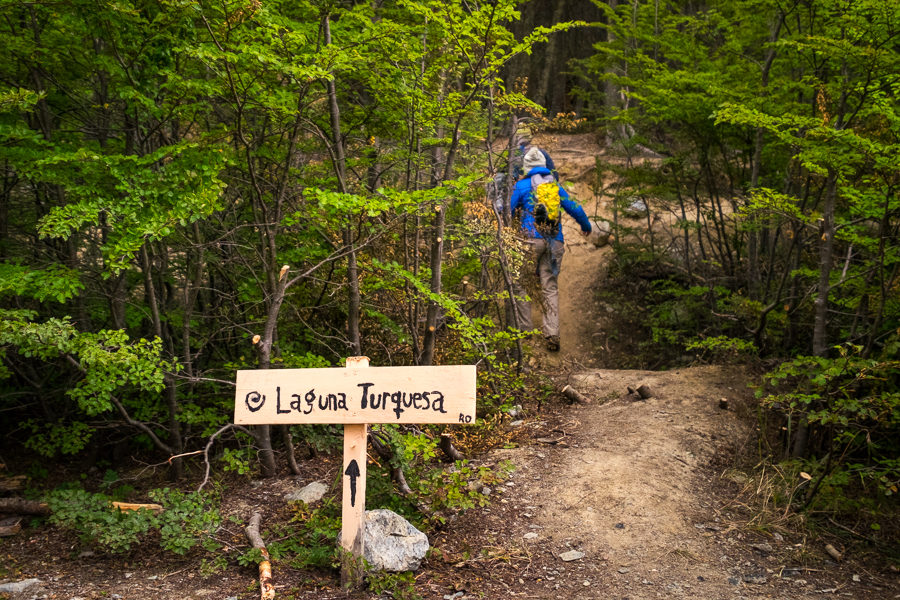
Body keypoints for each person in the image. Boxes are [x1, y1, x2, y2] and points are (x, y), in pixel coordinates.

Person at [510, 147, 591, 351]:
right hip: (555, 241)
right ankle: (552, 334)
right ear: (545, 166)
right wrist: (586, 227)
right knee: (550, 287)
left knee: (521, 284)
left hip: (529, 241)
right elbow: (575, 208)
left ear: (526, 167)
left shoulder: (521, 186)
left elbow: (506, 210)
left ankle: (525, 332)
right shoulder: (555, 186)